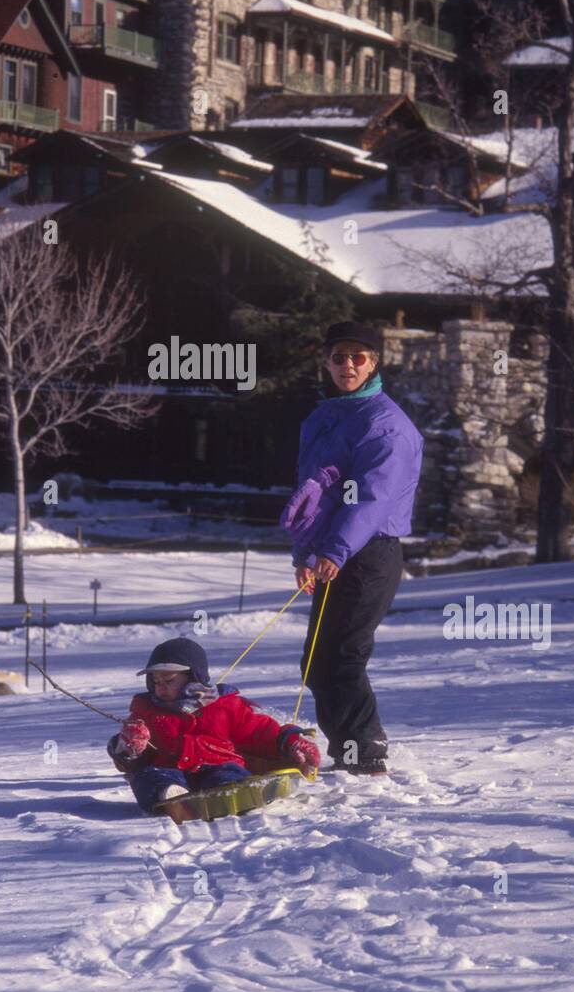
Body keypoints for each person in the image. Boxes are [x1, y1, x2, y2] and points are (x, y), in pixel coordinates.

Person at [281, 320, 423, 776]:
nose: (347, 365)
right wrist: (305, 551)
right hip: (334, 552)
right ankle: (347, 751)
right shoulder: (327, 416)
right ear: (327, 361)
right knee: (316, 661)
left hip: (369, 553)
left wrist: (335, 551)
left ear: (374, 362)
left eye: (358, 357)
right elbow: (317, 493)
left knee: (342, 656)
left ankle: (366, 753)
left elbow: (372, 499)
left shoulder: (387, 426)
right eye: (339, 357)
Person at [107, 636, 320, 813]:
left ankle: (231, 791)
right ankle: (169, 795)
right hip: (168, 770)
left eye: (169, 680)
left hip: (217, 763)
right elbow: (135, 761)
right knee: (148, 778)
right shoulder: (146, 711)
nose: (160, 688)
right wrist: (128, 748)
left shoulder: (223, 706)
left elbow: (258, 731)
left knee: (229, 773)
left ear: (193, 677)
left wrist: (290, 740)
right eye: (155, 681)